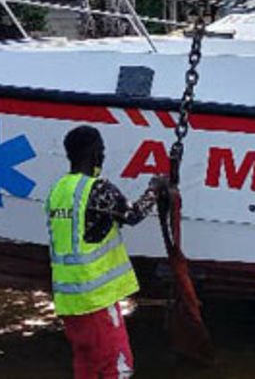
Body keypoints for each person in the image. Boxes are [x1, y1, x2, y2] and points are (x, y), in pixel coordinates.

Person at [47, 125, 167, 379]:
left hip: (69, 303)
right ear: (94, 153)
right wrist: (155, 189)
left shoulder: (58, 191)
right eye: (101, 150)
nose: (103, 156)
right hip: (96, 300)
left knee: (87, 367)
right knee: (117, 366)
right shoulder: (97, 189)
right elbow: (132, 215)